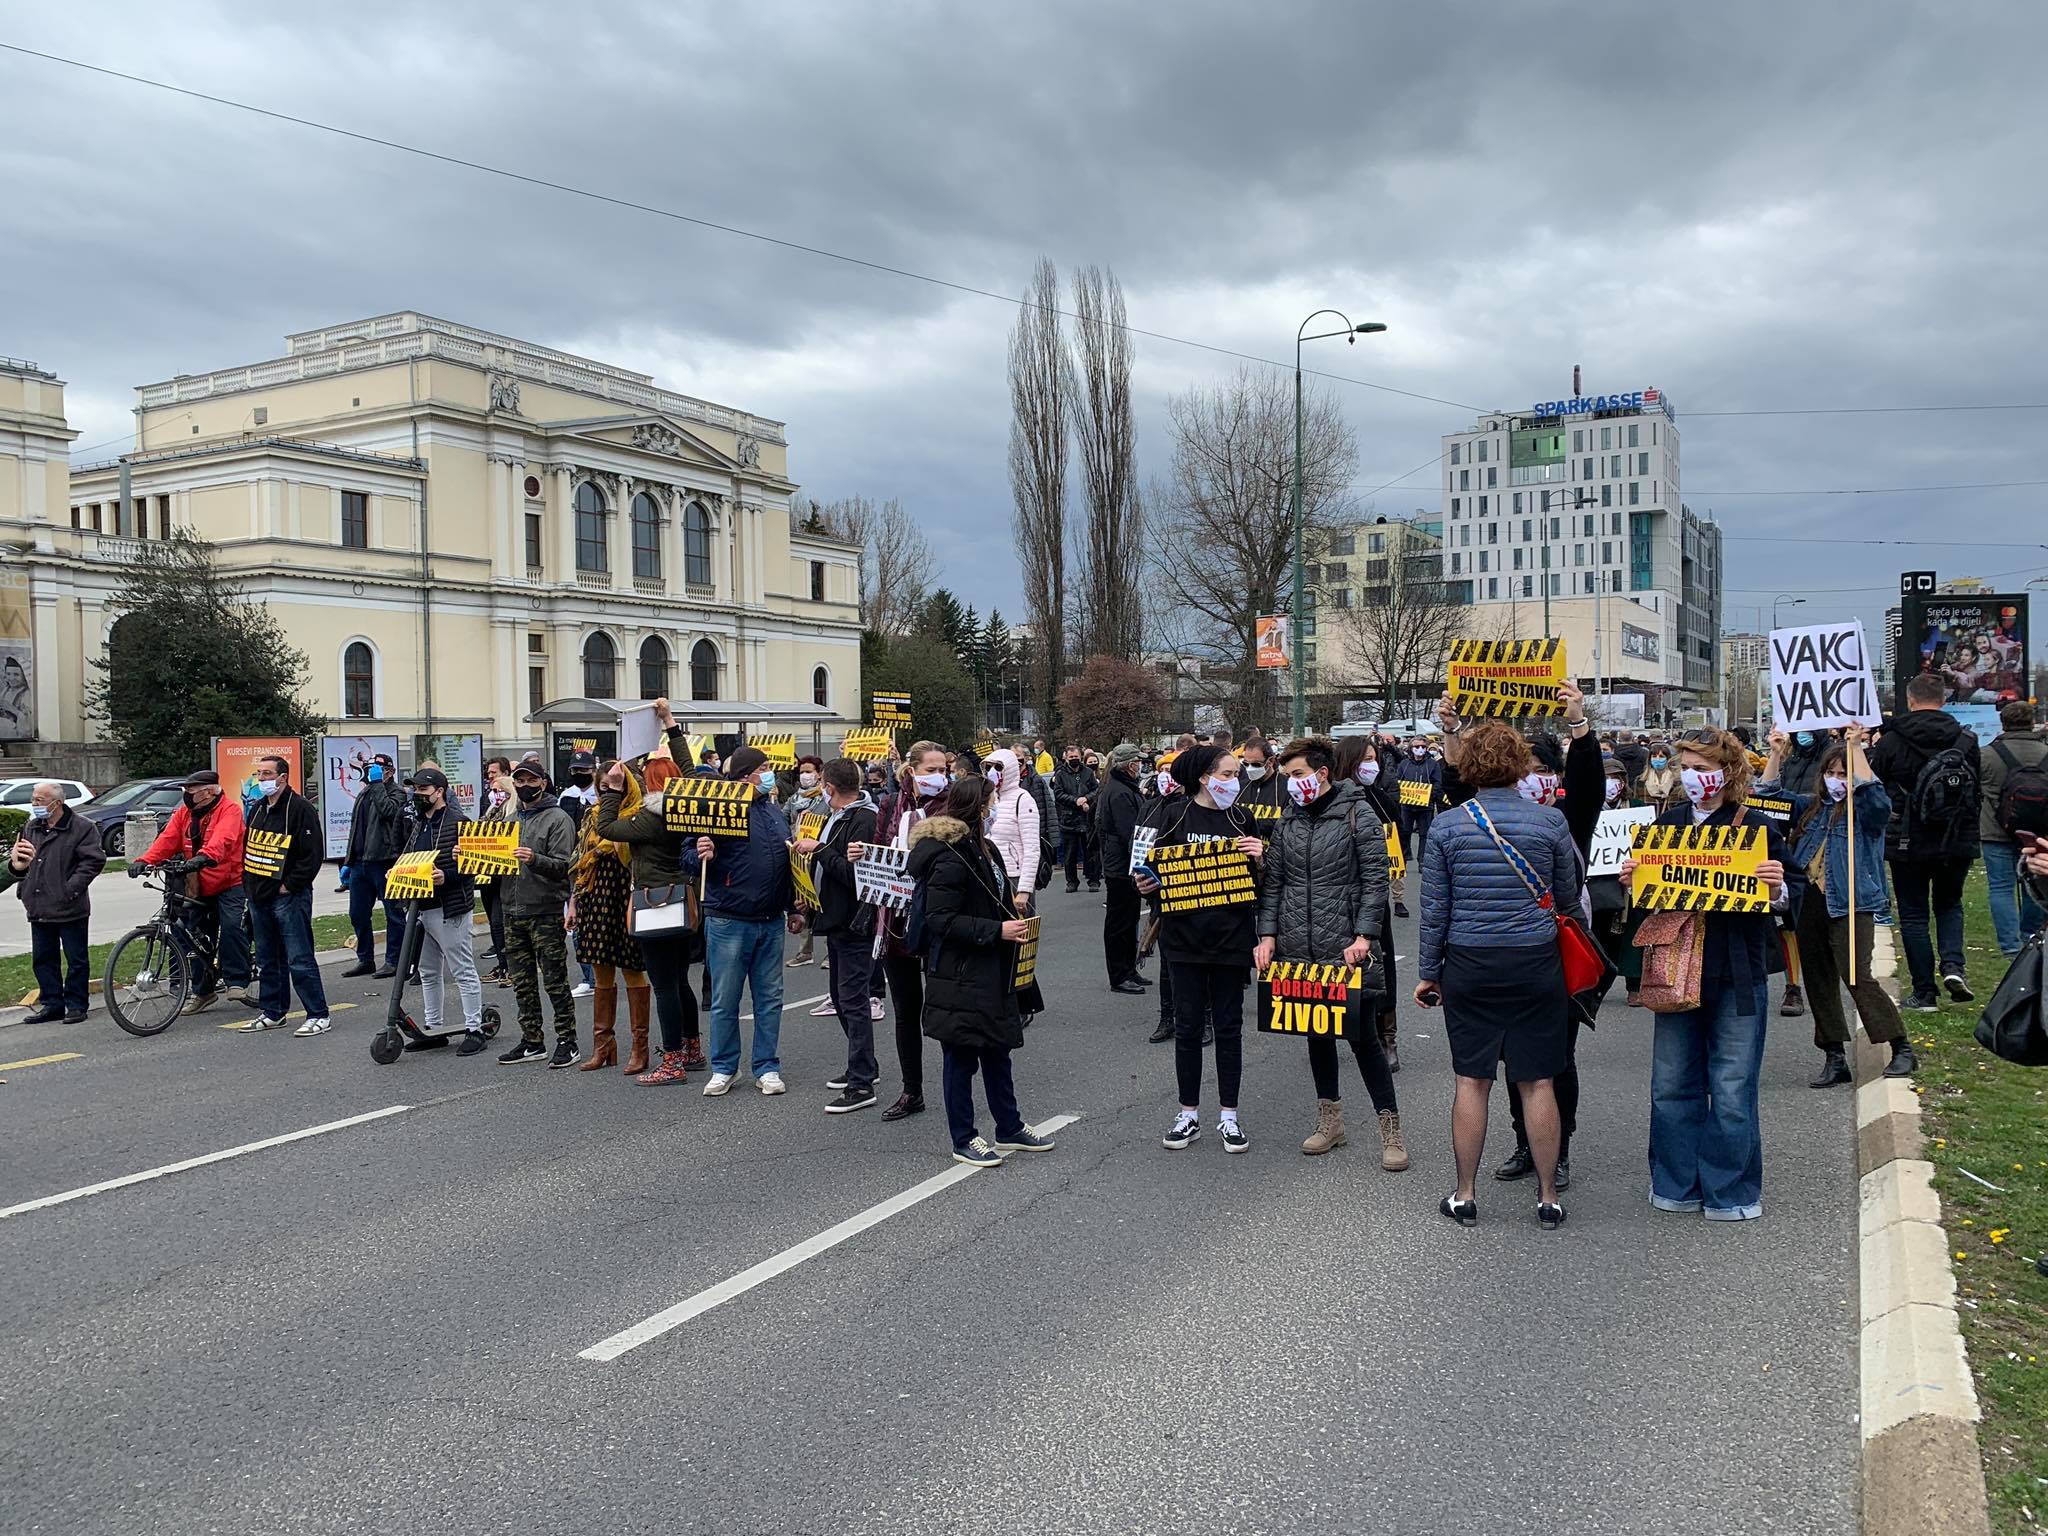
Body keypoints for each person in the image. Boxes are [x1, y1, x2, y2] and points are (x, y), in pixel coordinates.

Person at [1622, 727, 1793, 1222]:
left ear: (1729, 771)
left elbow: (1791, 897)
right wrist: (1636, 882)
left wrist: (1777, 886)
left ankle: (1730, 1190)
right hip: (1676, 970)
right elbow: (1649, 907)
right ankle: (1675, 1182)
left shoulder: (1757, 827)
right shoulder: (1665, 827)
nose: (1695, 777)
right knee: (1673, 1083)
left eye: (1703, 767)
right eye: (1687, 768)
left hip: (1737, 973)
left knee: (1734, 1085)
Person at [1416, 723, 1580, 1228]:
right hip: (1534, 961)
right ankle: (1548, 1195)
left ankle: (1464, 1194)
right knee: (1537, 1081)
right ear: (1521, 767)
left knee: (1472, 1080)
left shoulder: (1446, 827)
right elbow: (1568, 902)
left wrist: (1428, 973)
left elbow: (1435, 910)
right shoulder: (1550, 824)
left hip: (1469, 961)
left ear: (1468, 768)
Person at [1253, 737, 1406, 1172]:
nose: (1292, 784)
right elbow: (1275, 885)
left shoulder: (1359, 812)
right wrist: (1267, 935)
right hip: (1300, 948)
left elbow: (1376, 881)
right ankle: (1330, 1121)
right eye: (1287, 777)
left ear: (1322, 773)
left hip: (1346, 948)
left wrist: (1364, 935)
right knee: (1316, 1034)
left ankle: (1390, 1130)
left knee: (1363, 1041)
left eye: (1298, 775)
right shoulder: (1288, 821)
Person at [906, 775, 1055, 1167]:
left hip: (989, 967)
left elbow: (991, 899)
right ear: (977, 807)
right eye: (991, 803)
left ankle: (1008, 1127)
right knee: (960, 1058)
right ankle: (964, 1137)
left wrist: (1012, 916)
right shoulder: (948, 855)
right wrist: (996, 930)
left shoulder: (983, 847)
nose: (995, 810)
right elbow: (940, 919)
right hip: (958, 972)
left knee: (997, 1050)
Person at [1760, 726, 1913, 1087]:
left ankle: (1900, 1045)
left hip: (1850, 903)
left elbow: (1875, 796)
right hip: (1809, 903)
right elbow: (1765, 795)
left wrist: (1856, 748)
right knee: (1818, 980)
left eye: (1843, 775)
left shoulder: (1865, 814)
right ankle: (1834, 1054)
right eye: (1830, 773)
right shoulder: (1810, 809)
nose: (1836, 780)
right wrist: (1776, 754)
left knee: (1856, 975)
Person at [1136, 744, 1263, 1153]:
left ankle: (1230, 1116)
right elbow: (1145, 868)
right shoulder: (1171, 816)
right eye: (1227, 774)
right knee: (1188, 1028)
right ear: (1205, 777)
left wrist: (1262, 857)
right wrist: (1146, 883)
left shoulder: (1244, 819)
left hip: (1231, 938)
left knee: (1228, 1028)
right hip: (1183, 940)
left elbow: (1264, 883)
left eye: (1236, 773)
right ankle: (1187, 1113)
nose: (1235, 781)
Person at [684, 745, 798, 1097]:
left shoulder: (774, 812)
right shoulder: (720, 809)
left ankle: (766, 1067)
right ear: (746, 774)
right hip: (729, 918)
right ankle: (724, 1068)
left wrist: (793, 906)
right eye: (763, 767)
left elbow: (786, 861)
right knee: (725, 999)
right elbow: (688, 855)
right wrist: (703, 853)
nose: (769, 774)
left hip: (770, 919)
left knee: (769, 999)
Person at [1869, 672, 1982, 1010]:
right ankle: (1952, 966)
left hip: (1907, 839)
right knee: (1950, 905)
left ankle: (1924, 992)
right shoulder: (1966, 740)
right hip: (1956, 837)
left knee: (1914, 915)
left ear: (1910, 700)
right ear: (1944, 700)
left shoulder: (1890, 741)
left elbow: (1875, 785)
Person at [595, 749, 705, 1084]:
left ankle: (671, 1061)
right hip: (683, 902)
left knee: (664, 985)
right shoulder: (686, 810)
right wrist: (672, 727)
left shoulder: (651, 817)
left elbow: (607, 827)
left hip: (655, 904)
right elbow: (692, 773)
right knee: (681, 980)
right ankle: (692, 1048)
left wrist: (613, 790)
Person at [864, 741, 953, 1119]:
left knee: (946, 1009)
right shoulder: (889, 805)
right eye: (930, 770)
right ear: (912, 771)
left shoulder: (952, 806)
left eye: (942, 769)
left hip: (936, 920)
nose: (939, 777)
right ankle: (911, 1090)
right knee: (905, 1011)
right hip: (896, 920)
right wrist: (862, 854)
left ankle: (956, 1089)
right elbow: (881, 848)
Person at [797, 758, 881, 1113]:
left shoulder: (863, 818)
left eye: (821, 783)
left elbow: (853, 873)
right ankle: (863, 1065)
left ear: (829, 786)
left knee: (852, 998)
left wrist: (818, 849)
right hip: (833, 917)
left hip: (853, 920)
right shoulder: (834, 814)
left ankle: (862, 1083)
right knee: (839, 994)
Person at [136, 769, 251, 1013]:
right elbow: (167, 840)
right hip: (198, 885)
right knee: (193, 935)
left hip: (230, 882)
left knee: (231, 927)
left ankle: (237, 981)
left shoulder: (229, 810)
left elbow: (224, 839)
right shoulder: (184, 813)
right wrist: (145, 860)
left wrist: (204, 857)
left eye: (191, 790)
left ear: (209, 792)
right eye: (185, 790)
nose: (186, 794)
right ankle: (203, 992)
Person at [495, 756, 581, 1067]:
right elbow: (493, 865)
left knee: (555, 981)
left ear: (543, 783)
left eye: (532, 780)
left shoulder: (558, 818)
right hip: (512, 909)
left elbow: (565, 867)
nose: (525, 785)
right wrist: (470, 856)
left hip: (544, 910)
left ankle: (566, 1040)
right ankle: (532, 1040)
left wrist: (535, 859)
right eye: (520, 780)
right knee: (522, 982)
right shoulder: (509, 821)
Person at [235, 754, 330, 1036]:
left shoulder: (300, 808)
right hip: (259, 896)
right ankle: (273, 1011)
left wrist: (289, 885)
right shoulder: (258, 809)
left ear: (283, 778)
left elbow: (312, 855)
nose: (261, 779)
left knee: (299, 957)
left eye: (267, 774)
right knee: (267, 958)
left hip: (289, 896)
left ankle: (318, 1014)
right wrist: (250, 887)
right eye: (259, 774)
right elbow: (250, 849)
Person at [568, 759, 651, 1073]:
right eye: (602, 789)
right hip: (594, 896)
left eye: (613, 787)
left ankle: (639, 1050)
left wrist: (612, 844)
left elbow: (637, 858)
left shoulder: (639, 815)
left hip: (625, 895)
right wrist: (574, 903)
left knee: (631, 968)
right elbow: (579, 861)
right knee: (600, 970)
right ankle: (604, 1047)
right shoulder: (591, 815)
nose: (607, 796)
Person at [397, 767, 488, 1054]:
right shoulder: (417, 824)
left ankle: (475, 1028)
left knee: (462, 969)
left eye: (423, 790)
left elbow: (473, 865)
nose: (418, 795)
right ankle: (433, 1028)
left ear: (440, 791)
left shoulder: (458, 822)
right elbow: (410, 857)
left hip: (449, 907)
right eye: (415, 790)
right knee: (428, 971)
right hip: (421, 906)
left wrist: (446, 876)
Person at [10, 780, 107, 1023]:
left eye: (39, 800)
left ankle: (76, 1005)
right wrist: (24, 885)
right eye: (34, 799)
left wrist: (69, 889)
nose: (34, 804)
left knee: (76, 959)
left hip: (69, 905)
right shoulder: (32, 826)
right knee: (43, 959)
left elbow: (92, 862)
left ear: (57, 803)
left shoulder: (82, 827)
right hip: (38, 903)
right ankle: (52, 1004)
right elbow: (23, 856)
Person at [1336, 735, 1404, 1072]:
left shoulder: (1381, 801)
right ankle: (1339, 1026)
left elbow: (1397, 843)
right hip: (1336, 898)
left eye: (1374, 758)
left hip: (1374, 897)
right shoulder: (1332, 801)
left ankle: (1387, 1036)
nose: (1371, 764)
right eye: (1365, 758)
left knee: (1382, 961)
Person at [1979, 701, 2048, 957]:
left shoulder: (1987, 754)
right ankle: (2031, 936)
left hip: (1995, 830)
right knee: (2036, 884)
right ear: (2032, 722)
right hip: (2038, 831)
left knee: (2001, 887)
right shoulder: (2045, 752)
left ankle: (2009, 946)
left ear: (2003, 723)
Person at [342, 752, 409, 979]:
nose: (372, 773)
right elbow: (357, 828)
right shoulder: (365, 793)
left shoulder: (398, 793)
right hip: (361, 862)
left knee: (393, 913)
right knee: (357, 914)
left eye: (377, 769)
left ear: (389, 771)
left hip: (384, 861)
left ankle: (394, 960)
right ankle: (365, 958)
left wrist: (379, 784)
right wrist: (348, 861)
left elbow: (389, 812)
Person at [1095, 742, 1149, 995]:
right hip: (1120, 866)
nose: (1140, 765)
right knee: (1119, 923)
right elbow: (1129, 831)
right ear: (1129, 765)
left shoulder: (1123, 788)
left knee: (1129, 920)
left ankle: (1128, 969)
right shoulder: (1119, 792)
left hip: (1123, 864)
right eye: (1137, 761)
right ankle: (1119, 974)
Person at [782, 756, 830, 969]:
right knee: (802, 901)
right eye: (802, 771)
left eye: (809, 771)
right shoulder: (794, 799)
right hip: (799, 856)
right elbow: (783, 818)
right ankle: (805, 951)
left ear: (819, 774)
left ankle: (830, 952)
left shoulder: (825, 799)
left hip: (818, 855)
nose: (805, 775)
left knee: (824, 901)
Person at [983, 748, 1042, 909]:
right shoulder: (989, 798)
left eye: (998, 767)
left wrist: (1024, 889)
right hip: (992, 874)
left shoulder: (1023, 799)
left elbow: (1032, 848)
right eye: (988, 767)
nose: (992, 772)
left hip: (1014, 876)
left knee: (1022, 930)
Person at [1392, 736, 1442, 917]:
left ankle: (1422, 861)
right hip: (1407, 805)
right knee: (1404, 832)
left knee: (1424, 834)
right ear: (1411, 748)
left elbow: (1438, 783)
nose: (1419, 749)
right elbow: (1398, 782)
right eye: (1416, 746)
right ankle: (1405, 858)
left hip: (1425, 805)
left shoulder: (1432, 765)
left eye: (1422, 746)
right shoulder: (1404, 764)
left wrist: (1430, 796)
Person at [478, 756, 514, 984]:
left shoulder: (513, 801)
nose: (491, 777)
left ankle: (510, 966)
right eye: (489, 773)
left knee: (502, 921)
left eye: (495, 773)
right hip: (486, 870)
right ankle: (502, 964)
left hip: (504, 872)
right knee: (493, 920)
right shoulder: (490, 800)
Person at [1053, 745, 1101, 893]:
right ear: (1066, 758)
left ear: (1080, 757)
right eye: (1071, 757)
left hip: (1087, 819)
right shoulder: (1060, 774)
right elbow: (1058, 794)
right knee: (1069, 855)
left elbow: (1096, 790)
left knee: (1091, 853)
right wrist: (1075, 801)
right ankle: (1071, 881)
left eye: (1076, 757)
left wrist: (1086, 799)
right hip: (1068, 820)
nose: (1074, 760)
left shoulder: (1088, 772)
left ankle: (1094, 880)